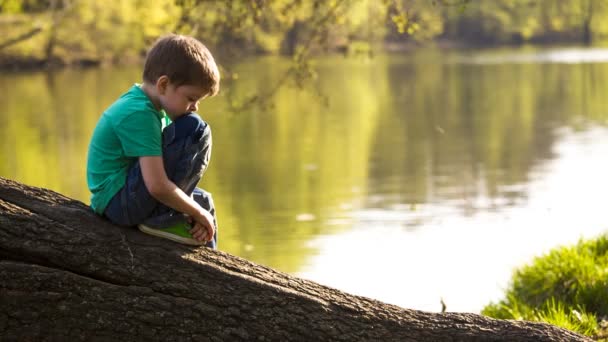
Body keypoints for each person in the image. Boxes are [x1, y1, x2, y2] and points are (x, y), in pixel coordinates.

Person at [86, 34, 220, 248]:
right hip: (118, 203)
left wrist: (198, 210)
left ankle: (213, 272)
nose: (195, 106)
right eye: (191, 98)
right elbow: (157, 185)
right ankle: (163, 219)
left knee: (203, 201)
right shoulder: (140, 113)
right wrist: (195, 212)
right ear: (164, 84)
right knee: (195, 128)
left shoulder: (154, 106)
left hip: (125, 196)